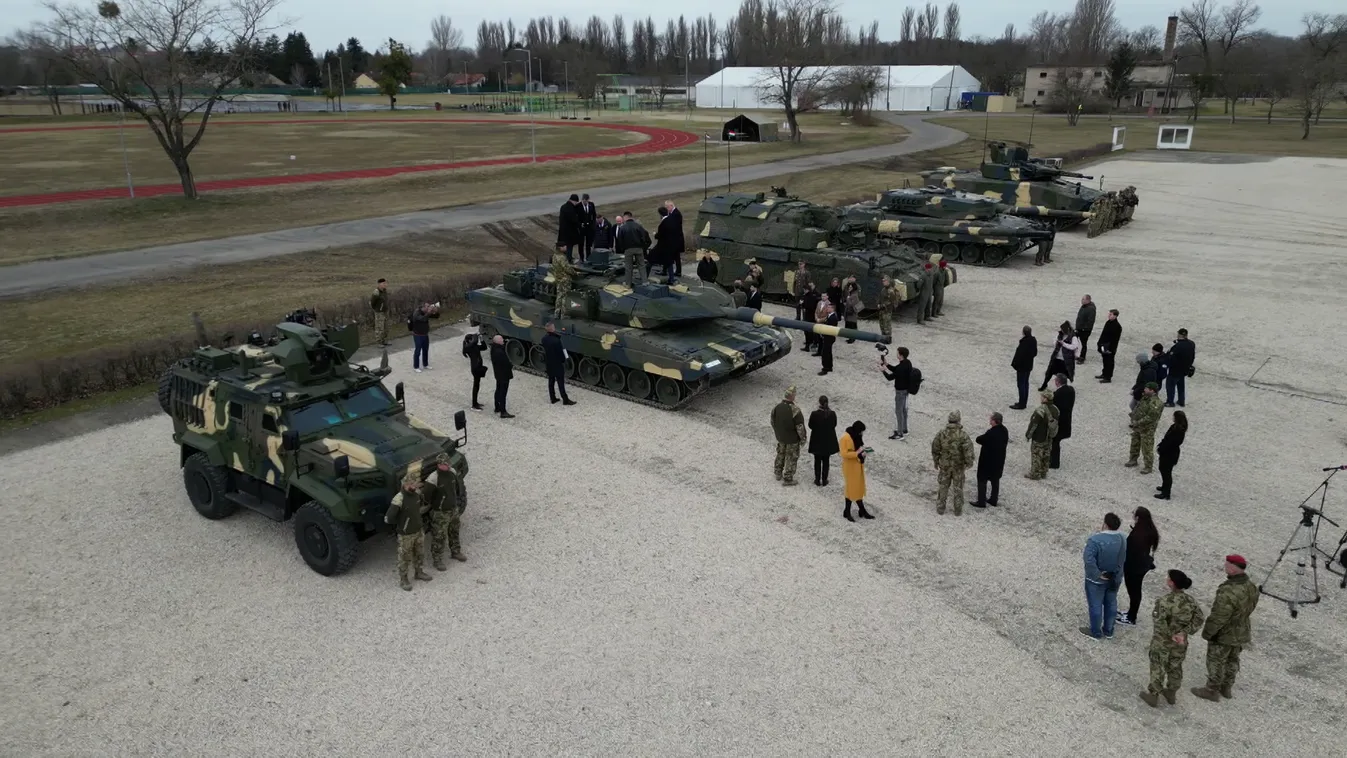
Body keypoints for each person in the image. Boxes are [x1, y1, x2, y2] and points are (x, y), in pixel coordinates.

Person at [1192, 555, 1260, 702]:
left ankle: (1212, 690)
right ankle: (1227, 687)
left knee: (1216, 660)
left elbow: (1219, 617)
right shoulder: (1251, 587)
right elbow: (1251, 607)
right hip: (1241, 631)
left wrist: (1209, 633)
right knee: (1233, 659)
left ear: (1232, 568)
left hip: (1224, 633)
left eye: (1227, 564)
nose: (1224, 566)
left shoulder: (1228, 591)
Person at [1140, 570, 1206, 708]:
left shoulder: (1164, 602)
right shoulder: (1190, 601)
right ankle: (1171, 693)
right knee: (1175, 666)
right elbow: (1199, 618)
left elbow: (1160, 623)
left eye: (1168, 578)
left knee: (1158, 665)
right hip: (1181, 642)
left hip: (1163, 641)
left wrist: (1171, 634)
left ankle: (1154, 695)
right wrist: (1184, 633)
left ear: (1172, 583)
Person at [1081, 512, 1127, 640]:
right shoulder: (1123, 538)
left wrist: (1097, 574)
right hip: (1115, 577)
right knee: (1111, 602)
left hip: (1097, 579)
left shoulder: (1095, 540)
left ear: (1105, 524)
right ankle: (1109, 630)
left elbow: (1089, 560)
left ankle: (1095, 632)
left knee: (1095, 605)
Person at [385, 472, 433, 591]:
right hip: (406, 534)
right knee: (405, 557)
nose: (415, 485)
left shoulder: (416, 494)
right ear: (406, 484)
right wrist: (402, 523)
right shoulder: (399, 499)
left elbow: (419, 507)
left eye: (415, 483)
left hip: (418, 530)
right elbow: (389, 518)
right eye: (412, 483)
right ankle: (404, 579)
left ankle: (419, 572)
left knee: (419, 553)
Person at [424, 452, 467, 570]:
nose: (448, 466)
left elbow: (457, 488)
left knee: (454, 531)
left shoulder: (452, 472)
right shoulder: (433, 478)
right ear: (439, 465)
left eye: (448, 464)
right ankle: (437, 560)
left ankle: (456, 551)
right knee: (439, 536)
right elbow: (426, 496)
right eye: (445, 464)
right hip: (440, 512)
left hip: (453, 509)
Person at [1120, 505, 1162, 626]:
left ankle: (1131, 617)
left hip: (1134, 568)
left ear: (1138, 517)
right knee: (1136, 591)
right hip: (1142, 565)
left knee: (1133, 591)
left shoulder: (1138, 535)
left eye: (1134, 513)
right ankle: (1131, 613)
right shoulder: (1149, 530)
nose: (1132, 514)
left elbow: (1131, 552)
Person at [931, 410, 975, 516]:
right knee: (958, 488)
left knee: (943, 486)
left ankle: (941, 508)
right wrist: (969, 463)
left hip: (945, 465)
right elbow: (968, 451)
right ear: (959, 421)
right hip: (958, 466)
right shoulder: (963, 435)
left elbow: (935, 448)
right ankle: (957, 510)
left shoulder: (941, 433)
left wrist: (936, 461)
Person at [771, 385, 808, 486]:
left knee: (780, 454)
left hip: (781, 437)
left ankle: (778, 472)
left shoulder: (776, 407)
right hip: (792, 439)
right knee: (791, 457)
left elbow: (773, 422)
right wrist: (803, 439)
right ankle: (788, 478)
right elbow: (800, 427)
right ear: (792, 396)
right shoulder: (795, 410)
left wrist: (778, 433)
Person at [971, 413, 1008, 509]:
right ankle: (993, 499)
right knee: (995, 480)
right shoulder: (1004, 431)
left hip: (987, 461)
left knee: (982, 480)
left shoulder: (991, 433)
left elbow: (979, 439)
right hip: (999, 460)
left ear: (995, 421)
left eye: (991, 419)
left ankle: (981, 501)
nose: (989, 420)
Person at [1127, 382, 1164, 474]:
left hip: (1147, 429)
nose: (1144, 389)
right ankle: (1133, 459)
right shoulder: (1145, 397)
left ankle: (1148, 466)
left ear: (1152, 391)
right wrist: (1133, 415)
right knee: (1135, 443)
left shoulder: (1156, 403)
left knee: (1147, 448)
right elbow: (1138, 407)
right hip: (1138, 426)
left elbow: (1150, 418)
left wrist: (1137, 422)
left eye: (1146, 388)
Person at [839, 421, 873, 521]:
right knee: (851, 489)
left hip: (857, 465)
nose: (862, 434)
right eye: (861, 431)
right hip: (850, 467)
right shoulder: (845, 438)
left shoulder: (855, 436)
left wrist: (862, 452)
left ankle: (859, 509)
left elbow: (858, 447)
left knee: (858, 488)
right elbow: (844, 454)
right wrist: (857, 454)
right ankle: (848, 511)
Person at [1025, 389, 1059, 480]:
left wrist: (1028, 435)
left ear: (1045, 398)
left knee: (1036, 454)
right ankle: (1043, 471)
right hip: (1049, 436)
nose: (1041, 398)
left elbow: (1034, 424)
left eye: (1042, 396)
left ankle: (1035, 473)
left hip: (1039, 436)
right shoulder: (1056, 409)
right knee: (1046, 454)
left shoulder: (1040, 410)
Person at [880, 346, 913, 440]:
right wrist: (887, 365)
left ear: (901, 355)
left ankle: (899, 433)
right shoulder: (907, 363)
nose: (896, 354)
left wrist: (883, 371)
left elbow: (890, 377)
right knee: (904, 410)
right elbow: (896, 370)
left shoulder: (900, 367)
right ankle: (904, 429)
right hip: (906, 390)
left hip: (900, 392)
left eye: (897, 353)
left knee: (899, 411)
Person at [1155, 410, 1188, 500]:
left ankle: (1166, 493)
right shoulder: (1175, 427)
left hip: (1169, 454)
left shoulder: (1178, 430)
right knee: (1163, 470)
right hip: (1168, 452)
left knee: (1166, 472)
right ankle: (1164, 487)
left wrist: (1162, 449)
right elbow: (1166, 438)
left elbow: (1170, 442)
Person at [615, 210, 652, 287]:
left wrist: (623, 248)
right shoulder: (638, 226)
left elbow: (620, 240)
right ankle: (645, 281)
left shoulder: (622, 227)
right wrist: (642, 247)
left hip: (628, 249)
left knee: (628, 266)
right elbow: (643, 237)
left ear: (625, 217)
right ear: (631, 217)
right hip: (639, 248)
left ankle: (628, 283)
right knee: (641, 265)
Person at [808, 395, 839, 486]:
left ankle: (817, 480)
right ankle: (825, 480)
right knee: (826, 460)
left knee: (817, 460)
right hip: (828, 441)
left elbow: (810, 426)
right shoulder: (832, 414)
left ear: (819, 403)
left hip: (817, 440)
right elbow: (834, 425)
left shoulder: (814, 414)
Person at [541, 322, 575, 406]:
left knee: (551, 381)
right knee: (560, 382)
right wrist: (563, 360)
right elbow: (560, 353)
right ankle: (565, 399)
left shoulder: (544, 339)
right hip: (557, 364)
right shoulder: (556, 340)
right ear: (552, 329)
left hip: (549, 363)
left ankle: (552, 398)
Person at [1165, 328, 1196, 407]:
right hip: (1185, 370)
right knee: (1181, 386)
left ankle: (1170, 402)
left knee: (1170, 386)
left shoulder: (1177, 346)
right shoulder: (1192, 344)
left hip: (1175, 370)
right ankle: (1181, 401)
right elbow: (1193, 356)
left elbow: (1171, 357)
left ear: (1179, 335)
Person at [1050, 373, 1075, 469]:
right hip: (1067, 420)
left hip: (1059, 422)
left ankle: (1054, 463)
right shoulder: (1071, 390)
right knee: (1056, 441)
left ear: (1057, 382)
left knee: (1055, 441)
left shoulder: (1057, 394)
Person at [407, 301, 439, 372]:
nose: (428, 308)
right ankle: (416, 366)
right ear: (423, 307)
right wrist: (429, 312)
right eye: (427, 307)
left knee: (425, 350)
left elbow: (436, 316)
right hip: (418, 335)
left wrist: (436, 311)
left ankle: (425, 364)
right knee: (418, 351)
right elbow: (423, 319)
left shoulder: (426, 312)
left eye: (428, 306)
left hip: (425, 334)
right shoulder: (416, 313)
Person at [1010, 325, 1037, 409]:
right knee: (1025, 384)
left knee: (1021, 385)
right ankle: (1024, 402)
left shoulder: (1024, 342)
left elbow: (1019, 355)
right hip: (1028, 366)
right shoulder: (1033, 341)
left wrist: (1015, 364)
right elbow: (1035, 353)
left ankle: (1021, 404)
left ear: (1023, 332)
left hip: (1022, 367)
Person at [1038, 322, 1070, 391]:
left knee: (1063, 376)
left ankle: (1064, 389)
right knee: (1049, 373)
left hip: (1064, 360)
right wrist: (1057, 342)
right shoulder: (1059, 335)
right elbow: (1054, 343)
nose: (1061, 330)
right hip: (1056, 358)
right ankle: (1044, 384)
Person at [648, 206, 677, 283]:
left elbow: (660, 235)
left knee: (650, 258)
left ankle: (645, 276)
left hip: (662, 246)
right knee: (669, 262)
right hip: (670, 245)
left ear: (660, 215)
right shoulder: (671, 220)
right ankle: (671, 279)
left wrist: (655, 235)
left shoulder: (663, 224)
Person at [489, 335, 515, 419]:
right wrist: (510, 365)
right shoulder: (499, 352)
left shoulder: (494, 349)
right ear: (497, 341)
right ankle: (503, 411)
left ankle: (497, 406)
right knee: (503, 393)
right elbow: (506, 363)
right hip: (504, 374)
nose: (503, 340)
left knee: (498, 390)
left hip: (498, 374)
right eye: (501, 339)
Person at [463, 329, 488, 411]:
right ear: (469, 340)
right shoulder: (468, 348)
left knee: (477, 386)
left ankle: (475, 402)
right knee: (476, 386)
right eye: (472, 339)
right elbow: (474, 341)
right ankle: (474, 405)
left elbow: (484, 347)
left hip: (478, 367)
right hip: (475, 368)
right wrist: (476, 335)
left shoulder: (474, 346)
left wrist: (482, 339)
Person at [1096, 309, 1122, 382]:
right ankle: (1104, 374)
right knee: (1105, 360)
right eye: (1109, 314)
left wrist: (1110, 349)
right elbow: (1103, 334)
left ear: (1115, 316)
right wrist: (1099, 343)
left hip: (1110, 348)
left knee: (1109, 362)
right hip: (1103, 345)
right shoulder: (1108, 322)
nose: (1109, 316)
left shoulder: (1117, 326)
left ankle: (1108, 377)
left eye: (1111, 314)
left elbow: (1115, 340)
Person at [556, 194, 584, 263]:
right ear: (574, 201)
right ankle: (569, 259)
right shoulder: (570, 209)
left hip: (562, 231)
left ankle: (565, 258)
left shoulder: (563, 207)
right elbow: (574, 220)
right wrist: (580, 225)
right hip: (569, 233)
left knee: (563, 246)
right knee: (569, 247)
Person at [550, 252, 578, 319]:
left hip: (558, 278)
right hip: (565, 279)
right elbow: (567, 268)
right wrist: (575, 273)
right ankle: (564, 314)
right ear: (561, 247)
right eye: (564, 246)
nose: (566, 247)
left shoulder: (555, 255)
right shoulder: (562, 257)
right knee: (565, 296)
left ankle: (556, 313)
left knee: (559, 295)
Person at [663, 199, 685, 277]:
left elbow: (674, 226)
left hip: (676, 239)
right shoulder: (672, 213)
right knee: (674, 256)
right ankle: (668, 270)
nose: (666, 209)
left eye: (667, 207)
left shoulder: (676, 214)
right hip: (674, 239)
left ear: (671, 206)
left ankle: (676, 271)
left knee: (675, 256)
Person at [817, 302, 839, 375]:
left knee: (825, 353)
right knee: (828, 352)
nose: (827, 308)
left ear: (832, 309)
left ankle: (825, 368)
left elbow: (828, 328)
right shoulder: (830, 316)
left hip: (828, 337)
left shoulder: (832, 318)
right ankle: (829, 367)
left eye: (828, 307)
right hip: (829, 337)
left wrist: (823, 334)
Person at [800, 282, 822, 353]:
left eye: (805, 289)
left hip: (810, 316)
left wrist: (802, 304)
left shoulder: (811, 296)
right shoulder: (807, 295)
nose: (804, 291)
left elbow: (810, 306)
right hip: (808, 315)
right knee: (808, 331)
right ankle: (809, 344)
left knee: (808, 331)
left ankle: (808, 345)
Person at [1075, 295, 1096, 363]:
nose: (1082, 300)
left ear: (1088, 300)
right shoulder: (1084, 306)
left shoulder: (1091, 309)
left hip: (1085, 330)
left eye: (1083, 299)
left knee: (1083, 343)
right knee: (1077, 342)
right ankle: (1077, 355)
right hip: (1079, 328)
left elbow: (1091, 321)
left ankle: (1082, 358)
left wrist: (1085, 328)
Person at [876, 275, 898, 340]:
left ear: (888, 281)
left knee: (887, 325)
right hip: (881, 310)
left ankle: (888, 338)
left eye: (885, 281)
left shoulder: (891, 291)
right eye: (883, 281)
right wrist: (878, 303)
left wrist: (882, 305)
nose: (883, 282)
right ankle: (883, 337)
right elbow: (880, 297)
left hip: (887, 310)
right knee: (882, 324)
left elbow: (891, 301)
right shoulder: (883, 289)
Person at [370, 278, 390, 346]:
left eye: (385, 283)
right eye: (383, 283)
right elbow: (372, 303)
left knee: (386, 327)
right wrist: (377, 309)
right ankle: (379, 342)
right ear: (379, 284)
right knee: (379, 327)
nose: (385, 285)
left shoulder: (384, 291)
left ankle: (384, 340)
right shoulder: (376, 292)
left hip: (385, 311)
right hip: (379, 312)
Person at [578, 193, 597, 262]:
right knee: (581, 243)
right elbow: (576, 217)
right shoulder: (578, 206)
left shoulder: (591, 205)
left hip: (589, 227)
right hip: (582, 228)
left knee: (588, 244)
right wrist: (580, 224)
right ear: (582, 199)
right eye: (584, 200)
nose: (585, 202)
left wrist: (593, 223)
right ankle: (581, 258)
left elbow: (594, 215)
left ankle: (588, 257)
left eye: (586, 200)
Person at [929, 254, 947, 318]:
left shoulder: (944, 272)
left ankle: (938, 311)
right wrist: (934, 288)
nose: (946, 266)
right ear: (942, 266)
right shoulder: (937, 273)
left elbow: (945, 280)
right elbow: (933, 282)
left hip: (941, 287)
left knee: (941, 300)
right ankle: (934, 313)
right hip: (937, 287)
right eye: (945, 265)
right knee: (936, 301)